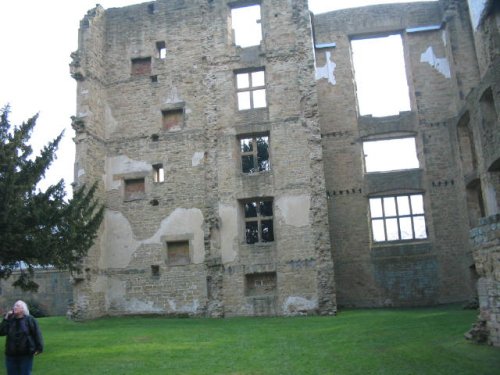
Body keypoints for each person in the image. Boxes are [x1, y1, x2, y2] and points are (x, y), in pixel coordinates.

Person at [0, 300, 44, 375]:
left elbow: (37, 333)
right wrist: (6, 318)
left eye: (18, 306)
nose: (15, 307)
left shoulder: (30, 320)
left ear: (23, 309)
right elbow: (1, 332)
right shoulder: (10, 320)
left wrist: (39, 348)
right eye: (14, 305)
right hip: (11, 354)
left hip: (26, 354)